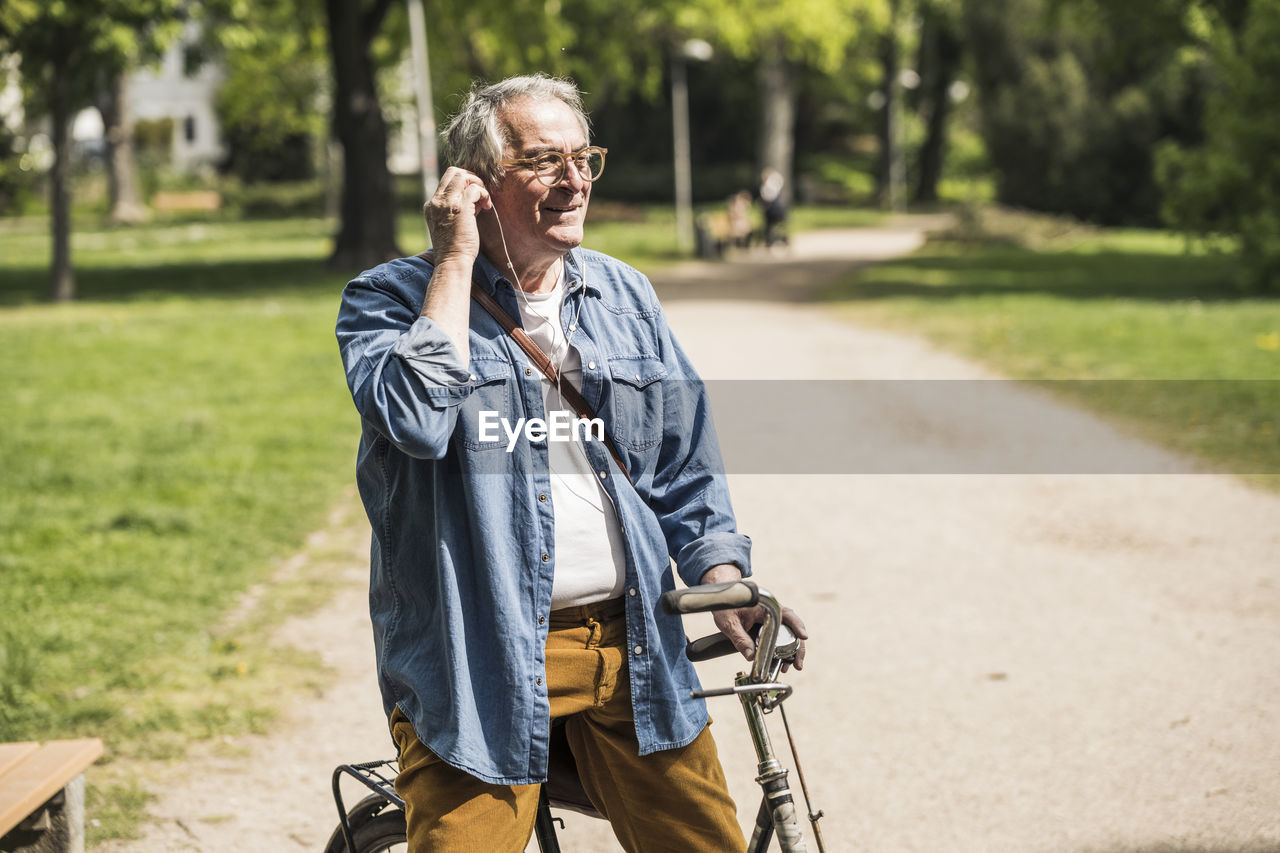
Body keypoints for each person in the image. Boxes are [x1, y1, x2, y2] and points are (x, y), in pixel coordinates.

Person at [335, 74, 807, 853]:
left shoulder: (626, 295)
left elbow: (682, 463)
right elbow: (417, 422)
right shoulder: (387, 300)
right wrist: (454, 261)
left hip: (635, 646)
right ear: (478, 185)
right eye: (545, 160)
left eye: (584, 157)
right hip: (480, 654)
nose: (576, 180)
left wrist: (720, 572)